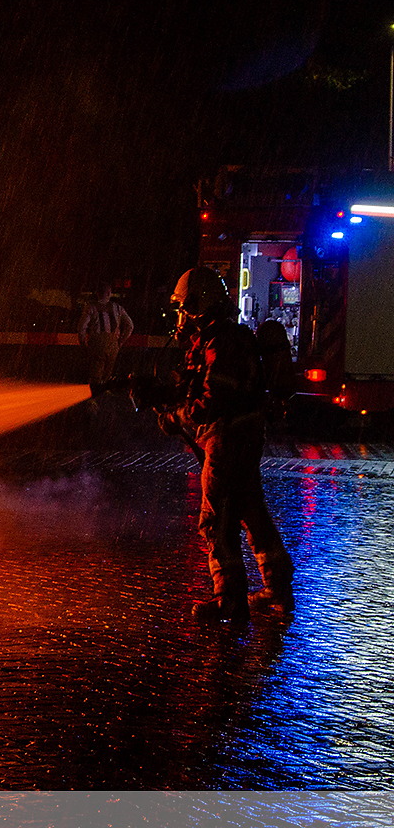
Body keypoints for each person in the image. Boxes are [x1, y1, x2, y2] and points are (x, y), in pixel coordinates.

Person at [155, 267, 294, 623]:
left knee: (216, 521)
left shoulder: (221, 342)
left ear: (202, 304)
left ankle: (229, 599)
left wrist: (174, 417)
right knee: (252, 512)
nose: (182, 316)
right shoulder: (224, 338)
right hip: (243, 439)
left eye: (186, 307)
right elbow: (204, 388)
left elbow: (212, 400)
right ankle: (277, 589)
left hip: (227, 440)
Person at [78, 283, 133, 394]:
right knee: (107, 373)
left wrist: (83, 342)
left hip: (97, 342)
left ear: (97, 294)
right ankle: (104, 395)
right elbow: (130, 325)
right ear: (109, 293)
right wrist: (121, 341)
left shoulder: (91, 307)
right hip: (113, 343)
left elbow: (81, 327)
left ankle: (93, 397)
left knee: (95, 373)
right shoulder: (117, 308)